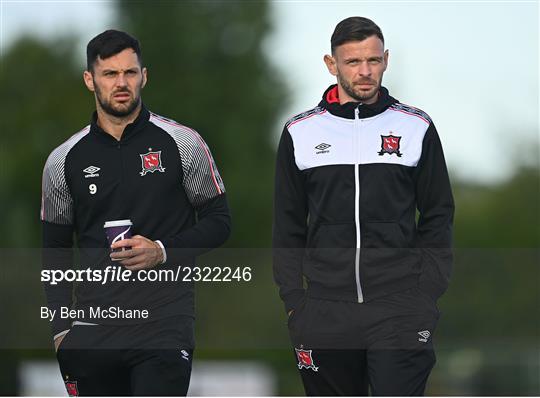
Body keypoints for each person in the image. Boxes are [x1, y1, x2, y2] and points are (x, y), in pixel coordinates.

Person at [41, 30, 230, 396]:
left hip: (164, 323)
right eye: (110, 74)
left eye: (130, 72)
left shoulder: (183, 142)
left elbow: (220, 222)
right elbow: (54, 250)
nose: (121, 83)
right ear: (89, 80)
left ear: (144, 75)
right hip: (93, 329)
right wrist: (61, 331)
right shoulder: (62, 160)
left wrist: (161, 250)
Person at [273, 16, 454, 396]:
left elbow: (438, 212)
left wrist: (427, 292)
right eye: (353, 62)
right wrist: (294, 301)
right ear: (331, 64)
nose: (365, 71)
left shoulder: (415, 126)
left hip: (400, 306)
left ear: (386, 59)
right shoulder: (300, 132)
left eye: (373, 60)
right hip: (324, 309)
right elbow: (288, 224)